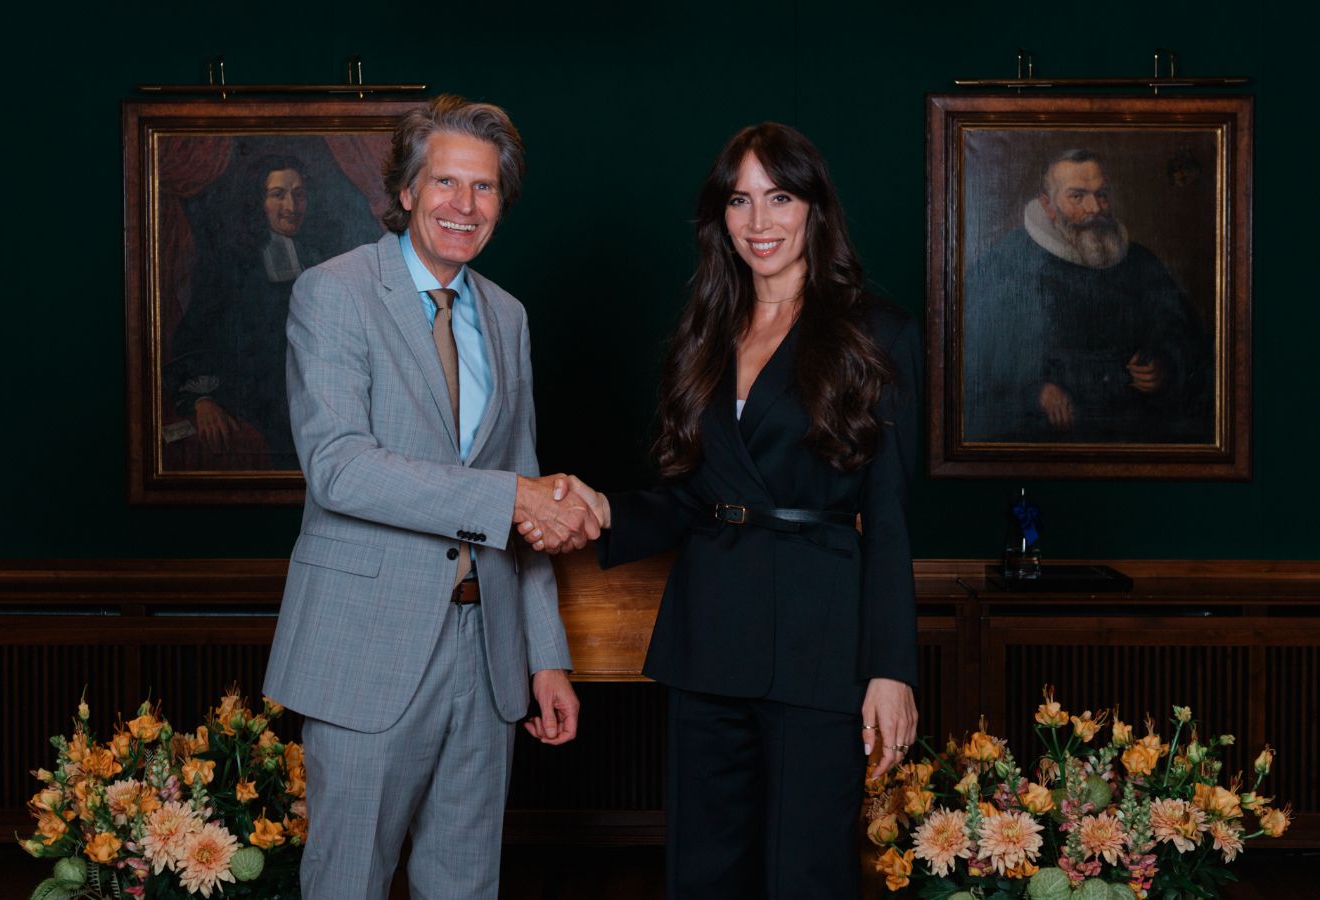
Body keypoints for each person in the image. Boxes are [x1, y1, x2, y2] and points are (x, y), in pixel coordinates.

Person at [527, 123, 921, 898]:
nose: (759, 221)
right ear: (721, 216)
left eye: (780, 198)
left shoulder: (877, 332)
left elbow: (890, 518)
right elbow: (692, 496)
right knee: (703, 874)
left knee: (806, 875)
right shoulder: (705, 330)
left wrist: (891, 670)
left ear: (815, 208)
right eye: (740, 200)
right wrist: (603, 508)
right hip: (708, 637)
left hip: (818, 642)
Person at [263, 96, 599, 900]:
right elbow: (340, 468)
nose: (464, 205)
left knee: (465, 885)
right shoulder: (333, 292)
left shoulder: (508, 318)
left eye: (484, 188)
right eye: (445, 182)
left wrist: (546, 657)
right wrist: (509, 496)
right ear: (407, 191)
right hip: (367, 654)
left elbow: (522, 493)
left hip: (488, 658)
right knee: (348, 884)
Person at [964, 148, 1211, 443]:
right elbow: (974, 367)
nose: (1095, 208)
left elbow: (1185, 338)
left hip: (1133, 434)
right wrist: (1034, 392)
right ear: (1048, 205)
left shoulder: (1140, 262)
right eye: (1078, 197)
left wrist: (1166, 366)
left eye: (1101, 195)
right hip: (1043, 436)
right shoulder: (1007, 264)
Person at [167, 154, 320, 467]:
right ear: (258, 202)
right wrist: (202, 399)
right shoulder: (229, 264)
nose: (291, 206)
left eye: (298, 194)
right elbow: (195, 336)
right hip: (251, 400)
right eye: (278, 195)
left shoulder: (318, 258)